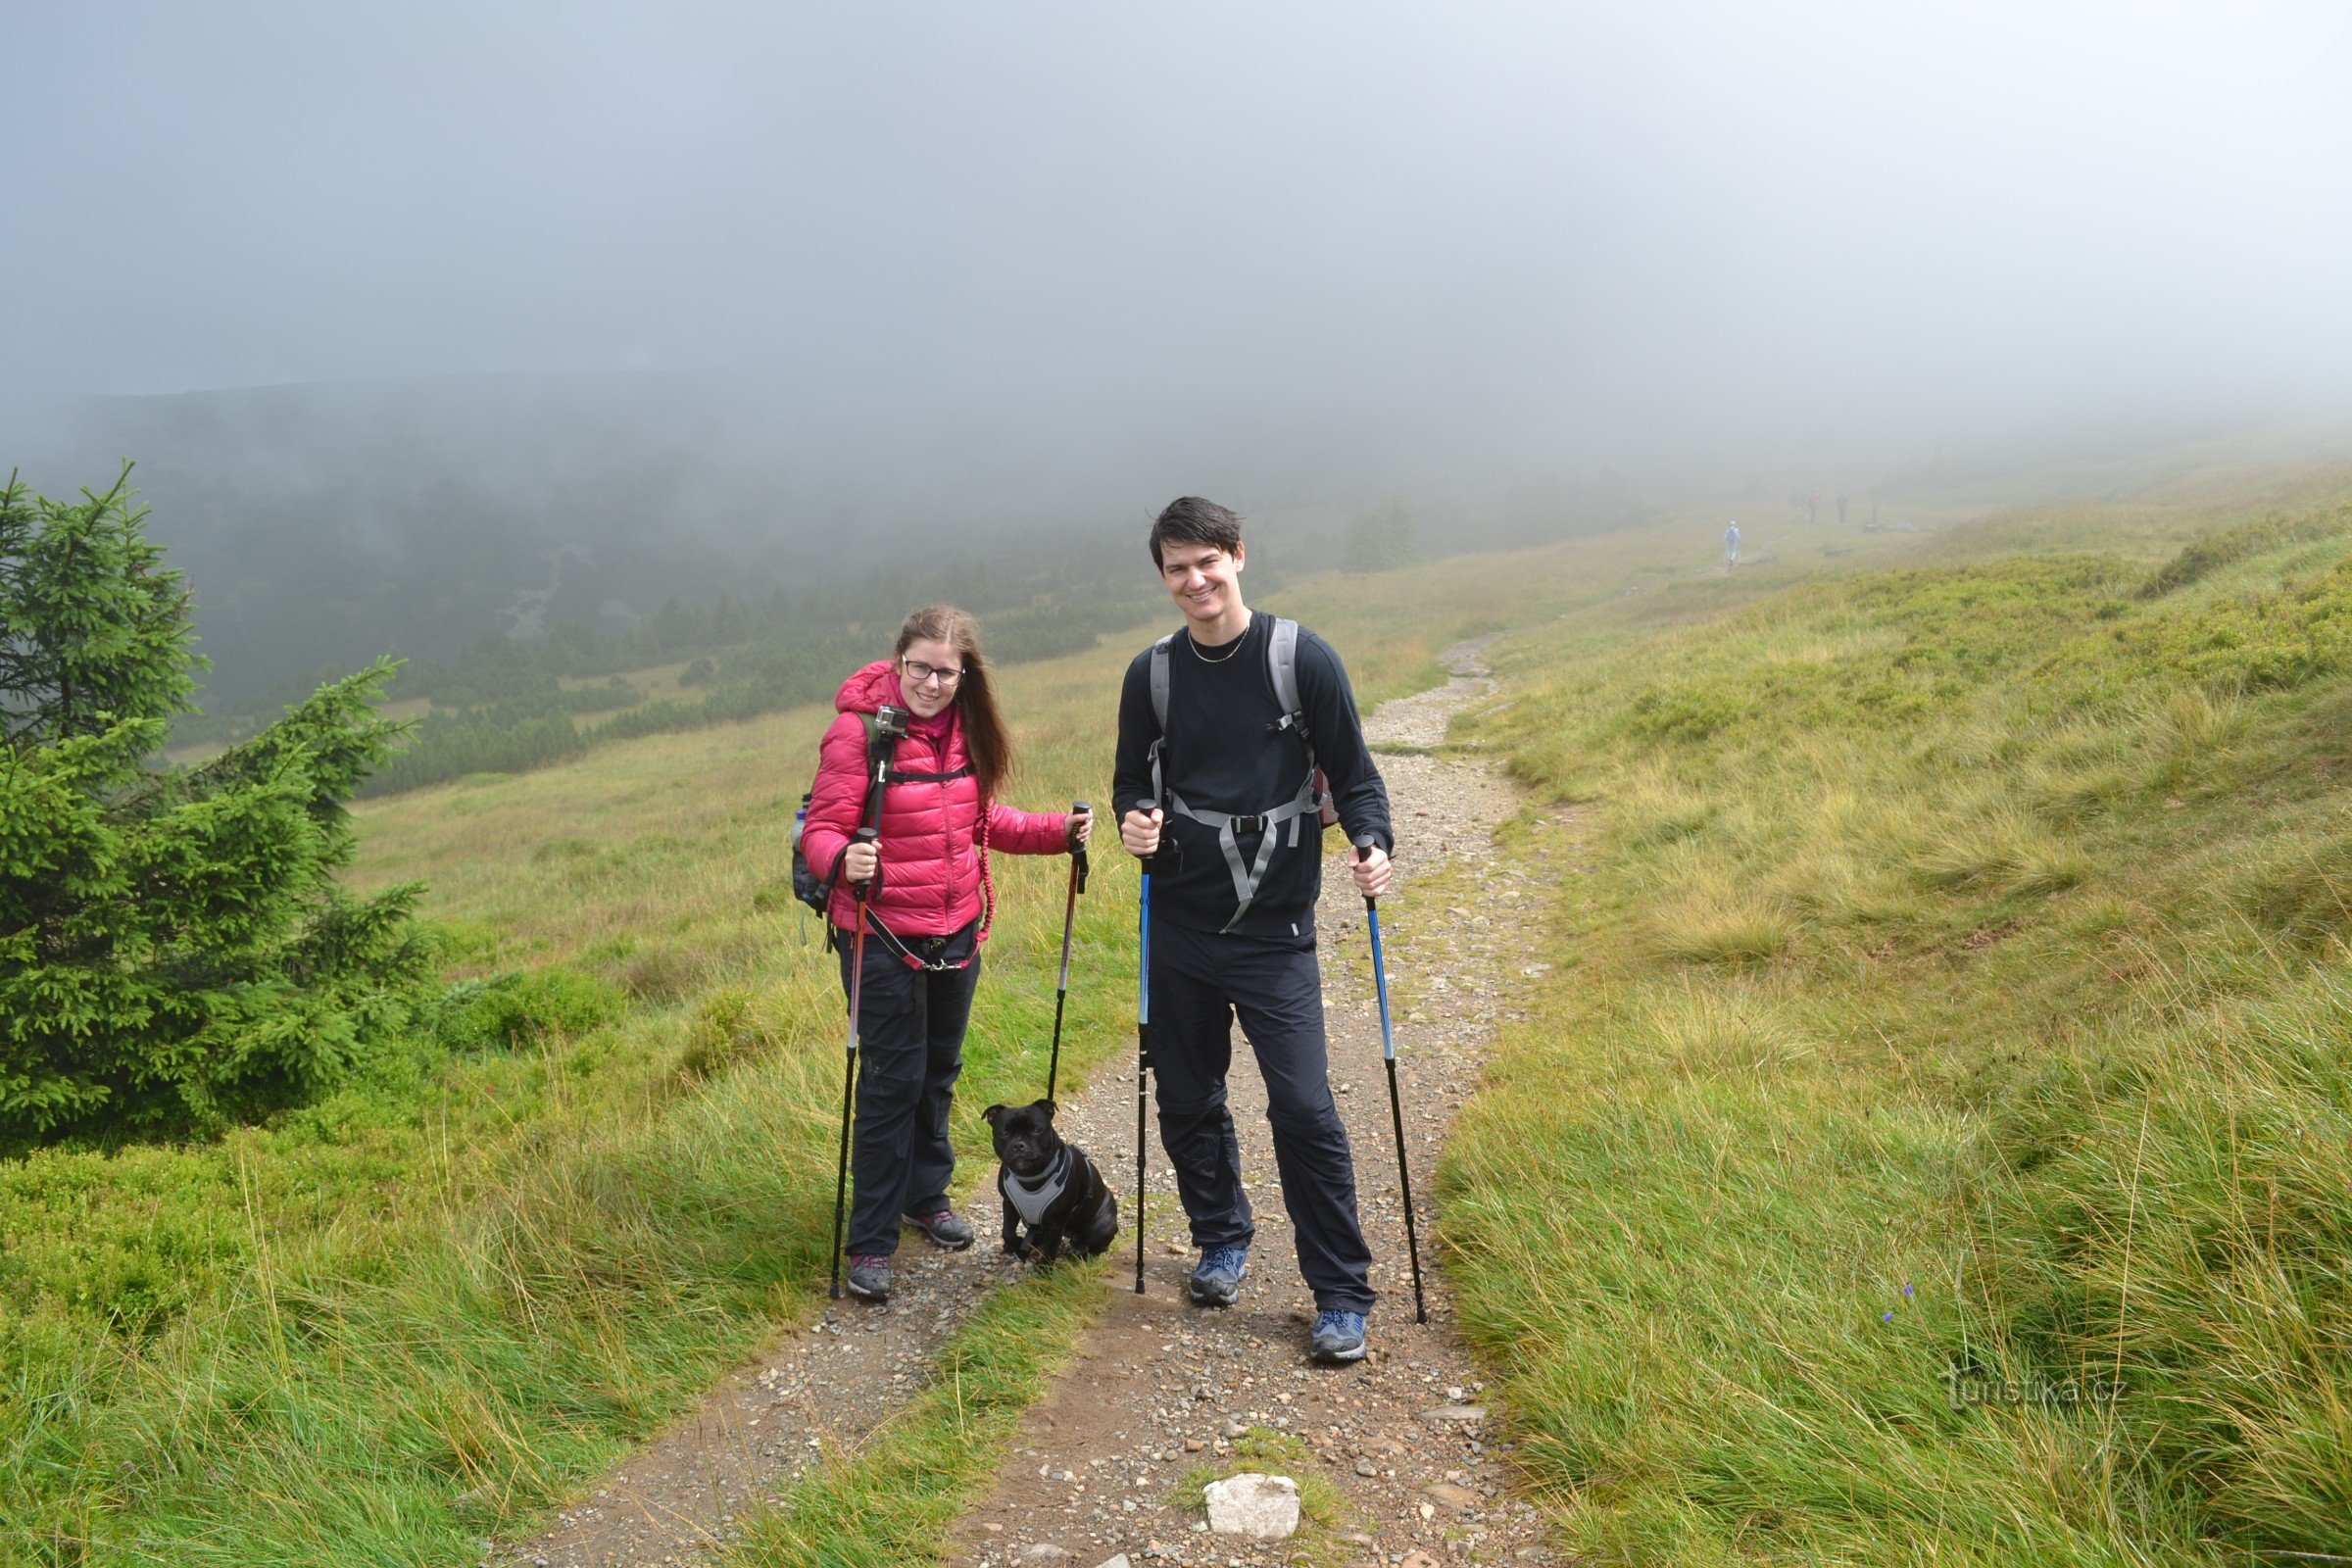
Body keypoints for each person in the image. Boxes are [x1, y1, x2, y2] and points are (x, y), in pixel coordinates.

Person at [1112, 496, 1396, 1365]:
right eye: (1177, 569)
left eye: (1208, 561)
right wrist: (1135, 822)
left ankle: (1342, 1292)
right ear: (1163, 578)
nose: (1195, 581)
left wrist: (1373, 843)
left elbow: (1354, 776)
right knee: (1188, 1097)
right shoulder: (1151, 676)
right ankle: (1221, 1241)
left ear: (1239, 555)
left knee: (1304, 1108)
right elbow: (1132, 781)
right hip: (1182, 928)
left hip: (1278, 932)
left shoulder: (1299, 657)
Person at [800, 604, 1092, 1303]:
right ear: (898, 662)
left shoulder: (965, 731)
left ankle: (924, 1198)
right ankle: (870, 1241)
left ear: (966, 676)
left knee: (938, 1073)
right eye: (920, 668)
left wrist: (1058, 831)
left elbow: (982, 820)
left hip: (956, 933)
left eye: (946, 672)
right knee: (889, 1086)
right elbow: (820, 830)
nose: (931, 683)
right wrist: (844, 859)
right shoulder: (857, 733)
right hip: (882, 937)